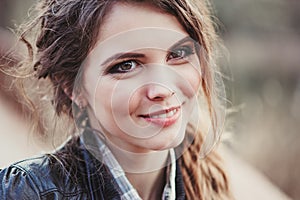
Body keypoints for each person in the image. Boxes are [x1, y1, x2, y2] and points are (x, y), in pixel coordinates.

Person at [0, 0, 234, 199]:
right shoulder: (26, 192)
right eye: (126, 66)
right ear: (72, 86)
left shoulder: (210, 182)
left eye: (179, 54)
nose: (162, 88)